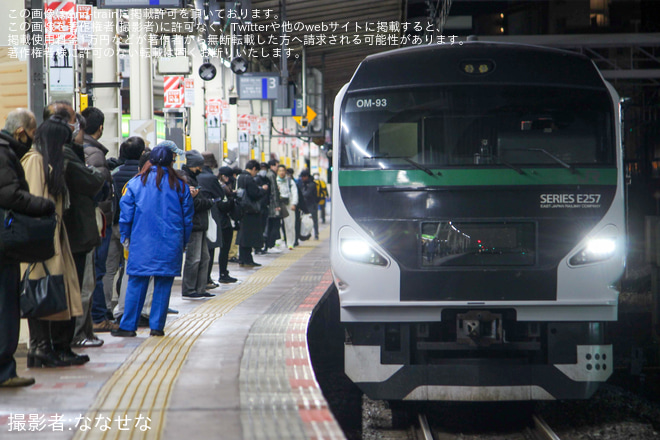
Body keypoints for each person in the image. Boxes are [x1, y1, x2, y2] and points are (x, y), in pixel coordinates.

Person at [21, 115, 85, 367]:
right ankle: (41, 348)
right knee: (42, 293)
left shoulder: (46, 162)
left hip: (53, 238)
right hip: (42, 241)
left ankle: (53, 347)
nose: (63, 150)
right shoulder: (36, 162)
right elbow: (35, 202)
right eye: (61, 144)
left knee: (55, 293)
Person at [112, 145, 193, 337]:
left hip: (141, 241)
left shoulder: (135, 183)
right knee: (163, 285)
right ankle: (157, 327)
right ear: (170, 162)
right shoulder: (180, 185)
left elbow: (126, 215)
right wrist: (184, 242)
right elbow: (187, 218)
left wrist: (126, 237)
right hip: (171, 242)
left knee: (136, 283)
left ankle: (128, 326)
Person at [0, 109, 55, 386]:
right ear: (21, 131)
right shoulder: (4, 153)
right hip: (3, 243)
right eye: (32, 133)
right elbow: (10, 194)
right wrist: (43, 205)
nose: (33, 139)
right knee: (5, 305)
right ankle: (4, 372)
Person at [60, 111, 111, 347]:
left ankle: (81, 333)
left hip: (75, 227)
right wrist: (99, 174)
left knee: (85, 281)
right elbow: (94, 183)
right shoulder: (71, 155)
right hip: (78, 228)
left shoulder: (76, 153)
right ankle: (77, 335)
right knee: (83, 283)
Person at [81, 106, 114, 331]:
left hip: (88, 219)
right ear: (100, 128)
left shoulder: (81, 149)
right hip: (96, 220)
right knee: (97, 270)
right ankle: (98, 318)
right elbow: (97, 189)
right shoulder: (95, 153)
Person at [104, 137, 145, 318]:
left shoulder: (114, 172)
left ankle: (105, 309)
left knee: (108, 268)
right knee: (130, 268)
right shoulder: (143, 176)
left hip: (113, 225)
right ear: (142, 153)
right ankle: (126, 308)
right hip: (134, 229)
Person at [181, 150, 215, 299]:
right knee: (193, 259)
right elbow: (193, 203)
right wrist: (209, 202)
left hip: (200, 224)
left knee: (204, 258)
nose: (200, 169)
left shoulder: (192, 179)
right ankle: (189, 290)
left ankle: (200, 288)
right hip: (193, 224)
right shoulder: (186, 179)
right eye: (198, 166)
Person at [236, 160, 267, 267]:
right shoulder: (249, 178)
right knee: (249, 236)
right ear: (254, 169)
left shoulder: (240, 177)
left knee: (244, 236)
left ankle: (243, 258)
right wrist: (262, 190)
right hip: (251, 210)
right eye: (256, 171)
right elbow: (254, 194)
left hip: (243, 209)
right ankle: (248, 259)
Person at [216, 167, 238, 283]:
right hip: (223, 222)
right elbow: (222, 206)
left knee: (224, 249)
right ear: (224, 176)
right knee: (224, 249)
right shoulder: (221, 188)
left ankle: (223, 272)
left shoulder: (220, 186)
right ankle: (223, 273)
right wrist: (231, 199)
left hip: (222, 221)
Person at [262, 159, 282, 253]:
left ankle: (268, 245)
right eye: (277, 166)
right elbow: (273, 192)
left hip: (269, 204)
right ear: (272, 166)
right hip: (272, 205)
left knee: (270, 225)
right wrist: (277, 205)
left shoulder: (269, 175)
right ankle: (270, 244)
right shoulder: (271, 175)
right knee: (273, 225)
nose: (278, 168)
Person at [276, 165, 298, 250]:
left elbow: (295, 193)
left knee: (290, 225)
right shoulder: (275, 181)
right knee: (277, 224)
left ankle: (290, 243)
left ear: (285, 172)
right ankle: (278, 241)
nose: (281, 172)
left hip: (288, 205)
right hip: (279, 205)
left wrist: (294, 204)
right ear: (277, 172)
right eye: (280, 171)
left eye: (283, 171)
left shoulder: (290, 181)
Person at [288, 168, 308, 246]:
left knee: (294, 224)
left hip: (294, 207)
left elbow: (298, 196)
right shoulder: (296, 182)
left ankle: (294, 240)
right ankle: (293, 240)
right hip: (293, 207)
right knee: (293, 224)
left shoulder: (294, 183)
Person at [300, 169, 319, 240]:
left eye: (303, 177)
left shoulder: (312, 184)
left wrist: (301, 196)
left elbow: (307, 193)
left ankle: (316, 234)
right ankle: (307, 234)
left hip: (312, 204)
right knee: (306, 220)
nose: (302, 178)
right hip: (305, 204)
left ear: (307, 176)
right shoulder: (303, 183)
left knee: (314, 220)